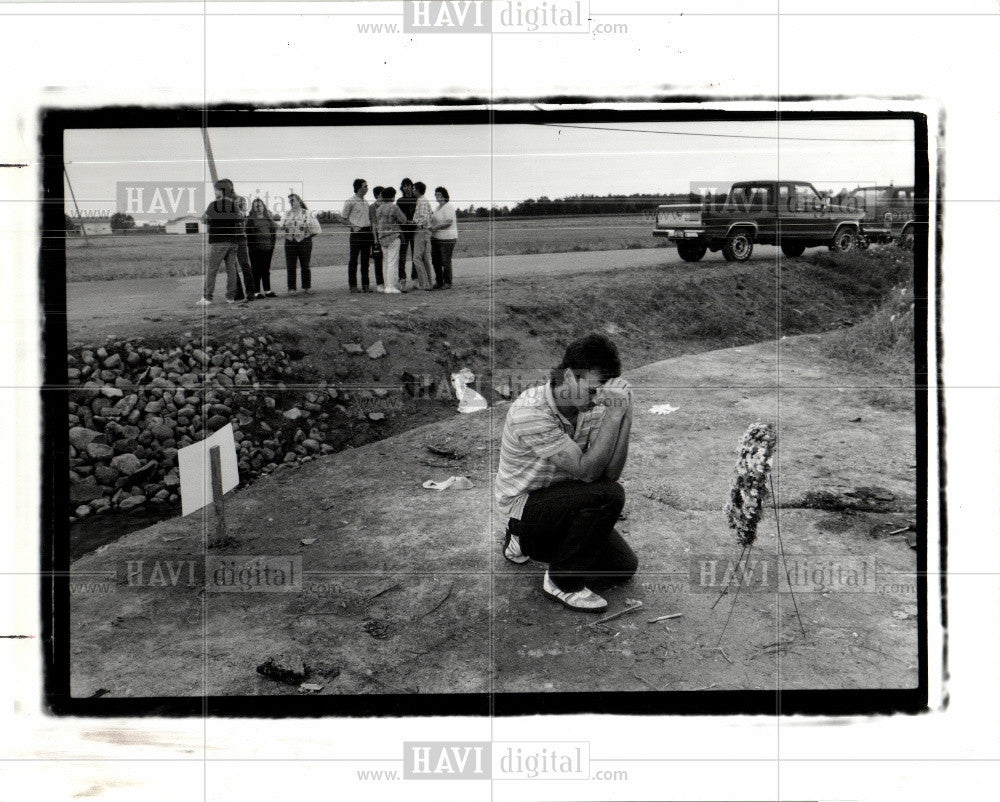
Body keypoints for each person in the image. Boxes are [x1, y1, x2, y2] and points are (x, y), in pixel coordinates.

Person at [495, 334, 637, 612]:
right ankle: (561, 581)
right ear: (570, 376)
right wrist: (614, 416)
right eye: (594, 390)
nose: (599, 400)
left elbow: (610, 475)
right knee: (608, 496)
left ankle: (535, 548)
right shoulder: (530, 410)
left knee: (622, 568)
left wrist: (626, 415)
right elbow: (588, 474)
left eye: (604, 392)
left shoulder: (592, 406)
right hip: (525, 509)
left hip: (564, 505)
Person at [197, 178, 243, 306]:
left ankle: (207, 297)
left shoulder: (213, 205)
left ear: (221, 191)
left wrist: (212, 220)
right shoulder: (235, 206)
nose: (215, 191)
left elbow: (203, 219)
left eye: (216, 189)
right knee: (232, 269)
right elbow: (238, 219)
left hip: (219, 241)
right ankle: (230, 297)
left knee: (212, 269)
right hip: (233, 241)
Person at [279, 193, 321, 294]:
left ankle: (307, 287)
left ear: (298, 201)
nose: (291, 203)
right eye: (289, 201)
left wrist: (307, 237)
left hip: (304, 242)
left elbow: (316, 229)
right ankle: (292, 288)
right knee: (291, 266)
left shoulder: (307, 213)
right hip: (290, 242)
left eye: (293, 200)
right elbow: (281, 226)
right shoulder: (287, 214)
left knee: (305, 265)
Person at [339, 178, 374, 293]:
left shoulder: (366, 202)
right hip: (357, 233)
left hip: (367, 232)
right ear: (359, 187)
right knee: (353, 260)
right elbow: (343, 218)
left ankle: (366, 285)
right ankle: (353, 286)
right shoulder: (350, 201)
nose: (367, 188)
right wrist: (353, 226)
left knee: (365, 260)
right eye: (365, 186)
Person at [374, 186, 408, 294]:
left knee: (386, 262)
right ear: (392, 196)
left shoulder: (379, 209)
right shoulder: (394, 207)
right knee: (393, 262)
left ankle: (386, 285)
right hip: (393, 236)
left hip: (382, 238)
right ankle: (391, 286)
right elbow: (403, 220)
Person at [245, 198, 277, 298]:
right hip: (255, 250)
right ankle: (256, 292)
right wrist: (253, 247)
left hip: (268, 248)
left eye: (260, 206)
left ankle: (268, 290)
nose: (258, 208)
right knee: (256, 270)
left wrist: (272, 246)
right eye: (256, 206)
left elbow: (273, 234)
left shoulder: (269, 219)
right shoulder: (250, 220)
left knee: (266, 270)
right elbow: (249, 235)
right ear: (253, 208)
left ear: (263, 207)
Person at [429, 186, 458, 289]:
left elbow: (449, 222)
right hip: (436, 237)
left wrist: (435, 227)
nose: (437, 196)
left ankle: (447, 282)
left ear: (444, 195)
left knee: (445, 261)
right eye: (436, 195)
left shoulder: (448, 207)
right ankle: (439, 281)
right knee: (435, 260)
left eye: (439, 194)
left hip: (448, 238)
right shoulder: (436, 208)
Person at [410, 181, 435, 290]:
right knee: (425, 259)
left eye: (414, 189)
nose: (412, 190)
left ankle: (424, 284)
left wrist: (414, 223)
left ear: (418, 190)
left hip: (421, 231)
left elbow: (424, 219)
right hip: (424, 232)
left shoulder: (422, 202)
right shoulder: (424, 201)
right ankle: (429, 283)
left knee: (416, 258)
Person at [396, 177, 418, 290]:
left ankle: (415, 279)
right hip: (404, 231)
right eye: (405, 186)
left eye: (409, 185)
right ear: (402, 188)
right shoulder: (399, 201)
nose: (407, 188)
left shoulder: (417, 199)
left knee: (416, 256)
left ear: (412, 186)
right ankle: (402, 279)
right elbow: (397, 217)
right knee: (402, 256)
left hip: (415, 231)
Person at [233, 194, 254, 303]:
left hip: (240, 237)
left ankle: (250, 292)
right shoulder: (219, 201)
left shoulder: (240, 199)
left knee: (244, 264)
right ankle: (238, 293)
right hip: (227, 238)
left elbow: (241, 215)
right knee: (232, 267)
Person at [368, 186, 385, 292]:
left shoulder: (387, 205)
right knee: (378, 259)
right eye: (382, 194)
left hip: (387, 234)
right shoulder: (372, 207)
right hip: (377, 235)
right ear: (377, 195)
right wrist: (375, 239)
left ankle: (387, 281)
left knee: (387, 259)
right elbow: (373, 223)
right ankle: (380, 283)